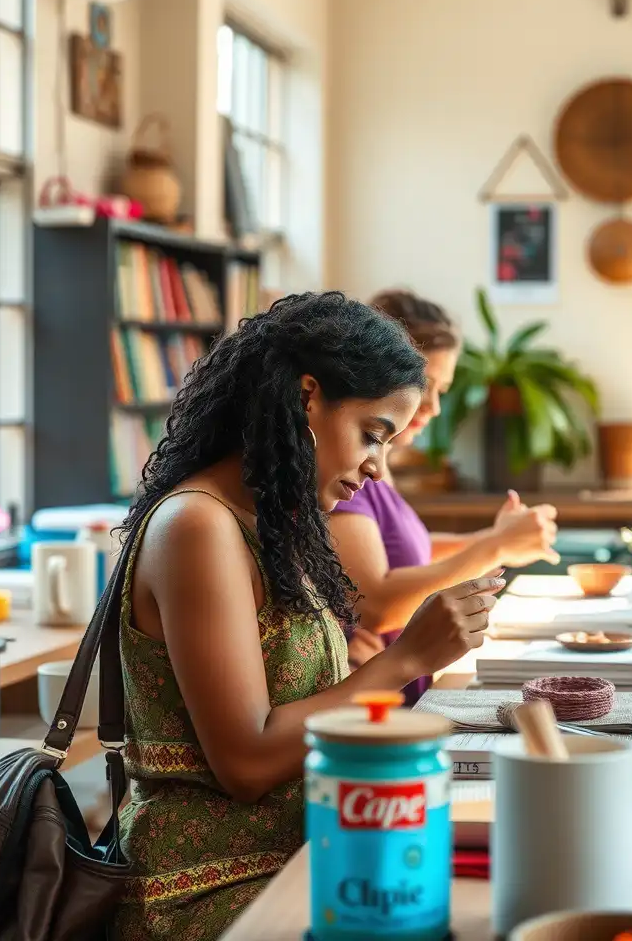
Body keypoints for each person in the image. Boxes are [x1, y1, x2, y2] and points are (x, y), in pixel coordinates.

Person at [113, 292, 503, 940]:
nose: (378, 469)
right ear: (306, 398)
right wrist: (407, 659)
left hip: (306, 850)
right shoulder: (197, 527)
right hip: (214, 884)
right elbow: (246, 763)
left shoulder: (270, 525)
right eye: (373, 434)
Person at [330, 289, 559, 705]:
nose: (432, 406)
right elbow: (377, 603)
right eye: (424, 386)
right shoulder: (343, 473)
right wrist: (496, 545)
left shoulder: (376, 463)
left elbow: (408, 554)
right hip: (381, 703)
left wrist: (494, 541)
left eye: (442, 389)